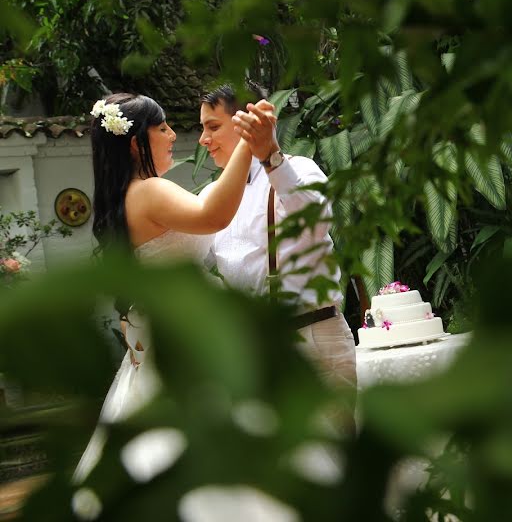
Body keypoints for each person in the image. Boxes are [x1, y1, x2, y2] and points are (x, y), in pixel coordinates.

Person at [74, 92, 274, 483]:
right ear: (136, 143)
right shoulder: (149, 191)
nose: (172, 136)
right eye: (162, 127)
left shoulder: (127, 197)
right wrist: (250, 143)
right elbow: (213, 214)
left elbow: (208, 199)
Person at [198, 85, 357, 433]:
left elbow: (317, 222)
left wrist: (272, 159)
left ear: (246, 122)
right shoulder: (212, 197)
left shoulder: (299, 168)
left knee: (337, 457)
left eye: (212, 127)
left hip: (315, 336)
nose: (202, 140)